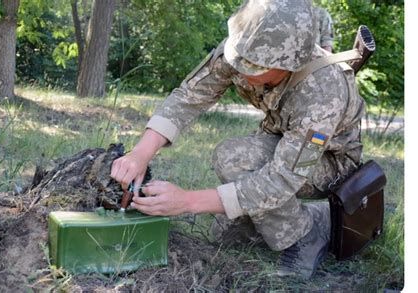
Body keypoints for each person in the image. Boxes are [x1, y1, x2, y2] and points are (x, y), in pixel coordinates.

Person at [110, 0, 365, 279]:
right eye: (240, 60)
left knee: (234, 158)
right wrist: (140, 154)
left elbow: (281, 179)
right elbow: (189, 96)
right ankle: (281, 219)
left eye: (255, 67)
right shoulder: (244, 47)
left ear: (292, 63)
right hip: (280, 139)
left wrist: (188, 202)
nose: (242, 70)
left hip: (329, 161)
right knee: (225, 236)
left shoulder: (323, 93)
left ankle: (304, 236)